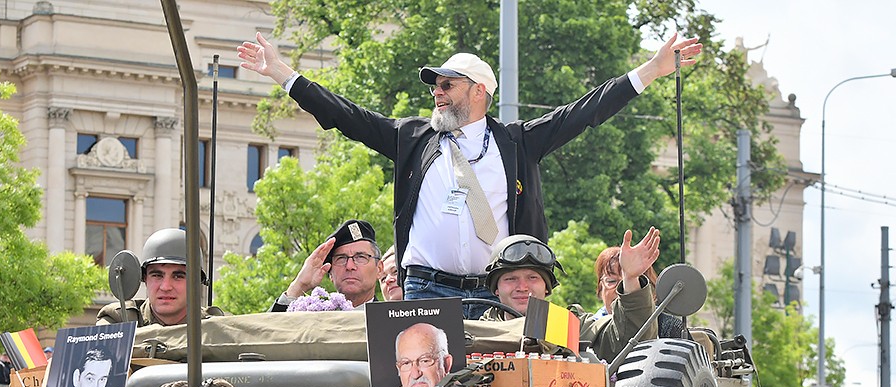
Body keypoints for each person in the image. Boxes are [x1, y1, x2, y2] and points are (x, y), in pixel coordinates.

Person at [239, 33, 701, 317]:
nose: (436, 93)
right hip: (423, 288)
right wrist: (282, 71)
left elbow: (587, 110)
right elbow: (346, 115)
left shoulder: (519, 142)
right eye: (435, 86)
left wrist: (655, 69)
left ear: (478, 91)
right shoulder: (411, 138)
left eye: (447, 85)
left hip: (496, 292)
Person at [481, 232, 659, 362]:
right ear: (496, 288)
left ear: (546, 288)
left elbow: (631, 340)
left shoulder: (562, 324)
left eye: (532, 278)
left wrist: (630, 278)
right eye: (511, 279)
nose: (522, 287)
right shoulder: (477, 333)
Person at [97, 228, 222, 326]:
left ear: (196, 282)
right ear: (144, 278)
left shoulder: (214, 328)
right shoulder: (118, 320)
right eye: (157, 275)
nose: (165, 287)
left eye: (178, 276)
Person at [271, 219, 383, 310]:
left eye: (360, 257)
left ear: (379, 269)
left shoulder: (393, 320)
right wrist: (299, 286)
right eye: (341, 259)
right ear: (330, 274)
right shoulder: (314, 316)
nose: (349, 266)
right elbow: (267, 334)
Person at [593, 244, 688, 339]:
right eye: (612, 281)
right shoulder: (590, 330)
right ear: (600, 288)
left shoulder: (669, 327)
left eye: (633, 281)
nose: (620, 289)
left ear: (650, 290)